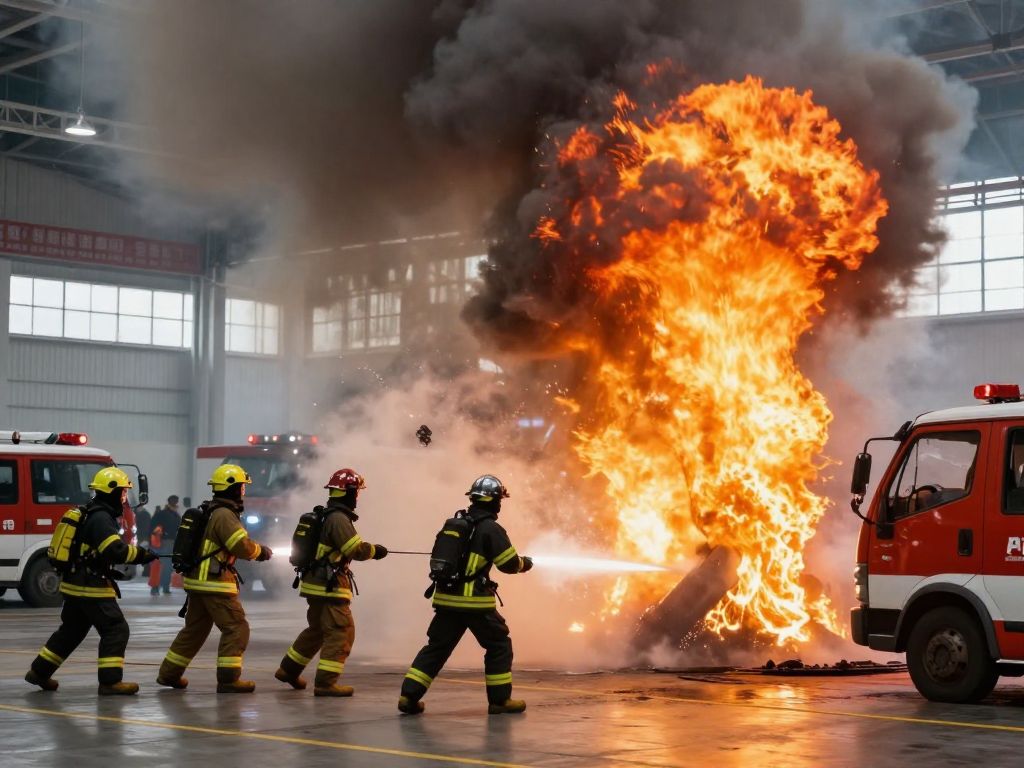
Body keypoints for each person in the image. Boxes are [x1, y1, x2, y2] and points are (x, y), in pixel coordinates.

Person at [398, 474, 533, 716]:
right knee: (499, 644)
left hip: (446, 600)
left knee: (437, 647)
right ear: (494, 502)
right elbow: (509, 564)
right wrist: (526, 563)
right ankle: (500, 701)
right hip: (474, 603)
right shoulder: (491, 528)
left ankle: (408, 696)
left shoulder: (457, 523)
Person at [25, 467, 158, 695]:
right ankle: (110, 682)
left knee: (71, 631)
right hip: (91, 586)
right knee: (116, 628)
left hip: (75, 584)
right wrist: (142, 555)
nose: (124, 498)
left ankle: (39, 672)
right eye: (123, 493)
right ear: (113, 492)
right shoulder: (101, 518)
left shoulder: (90, 512)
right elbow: (114, 551)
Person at [155, 464, 272, 693]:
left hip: (198, 581)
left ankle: (169, 674)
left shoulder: (210, 511)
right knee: (237, 627)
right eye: (241, 487)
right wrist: (261, 552)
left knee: (194, 631)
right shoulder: (225, 515)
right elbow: (241, 546)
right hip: (214, 582)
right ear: (234, 488)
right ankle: (229, 680)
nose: (243, 492)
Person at [275, 468, 388, 696]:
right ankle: (326, 683)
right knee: (341, 631)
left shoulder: (328, 514)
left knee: (316, 630)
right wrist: (375, 551)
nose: (357, 498)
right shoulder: (338, 519)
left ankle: (288, 670)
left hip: (314, 583)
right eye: (356, 492)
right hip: (329, 586)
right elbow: (354, 549)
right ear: (350, 492)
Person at [150, 495, 183, 595]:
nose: (175, 503)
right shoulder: (171, 514)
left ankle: (163, 587)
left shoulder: (170, 514)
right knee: (163, 566)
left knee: (166, 567)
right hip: (164, 542)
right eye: (174, 501)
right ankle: (158, 587)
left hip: (168, 542)